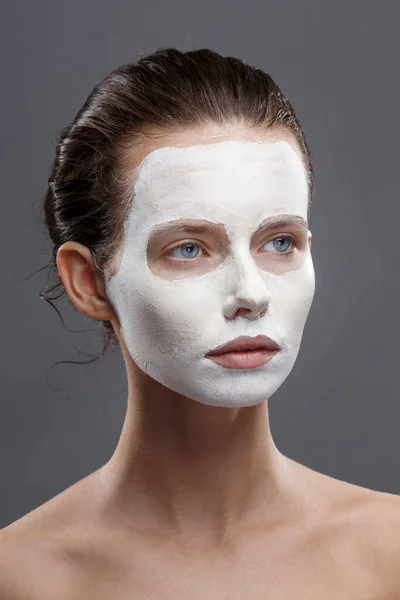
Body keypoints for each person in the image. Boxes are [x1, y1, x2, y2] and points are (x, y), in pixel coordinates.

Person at [1, 47, 400, 599]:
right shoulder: (19, 578)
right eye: (188, 249)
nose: (252, 294)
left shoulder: (389, 554)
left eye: (280, 242)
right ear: (89, 282)